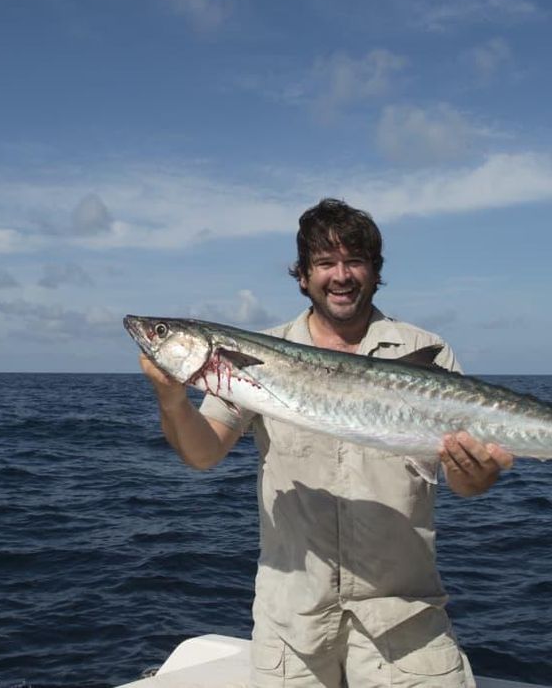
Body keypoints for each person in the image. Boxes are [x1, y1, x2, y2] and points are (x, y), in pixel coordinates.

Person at [138, 198, 513, 687]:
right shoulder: (254, 356)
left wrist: (476, 472)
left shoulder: (427, 352)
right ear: (303, 276)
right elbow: (204, 452)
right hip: (293, 626)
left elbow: (465, 483)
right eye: (325, 263)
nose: (341, 275)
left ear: (375, 272)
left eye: (355, 261)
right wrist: (171, 399)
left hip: (405, 623)